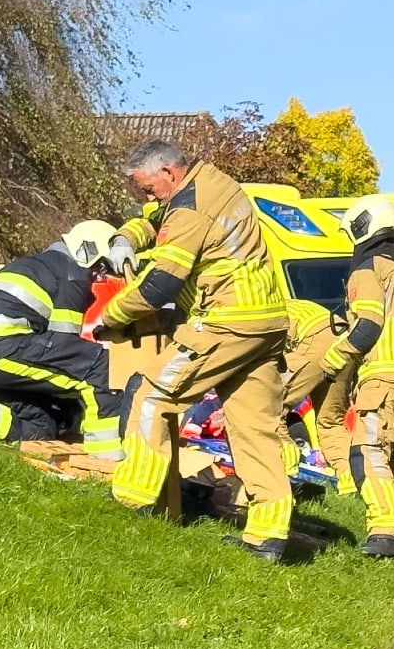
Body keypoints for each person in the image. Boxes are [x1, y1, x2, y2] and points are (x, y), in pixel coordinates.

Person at [101, 142, 294, 558]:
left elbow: (160, 286)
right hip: (266, 322)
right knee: (254, 428)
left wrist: (110, 315)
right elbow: (155, 219)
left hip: (227, 320)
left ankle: (132, 501)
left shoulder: (189, 209)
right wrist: (124, 239)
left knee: (152, 395)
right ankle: (268, 534)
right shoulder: (209, 184)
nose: (148, 197)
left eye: (148, 188)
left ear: (168, 173)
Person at [288, 195, 394, 559]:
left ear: (363, 227)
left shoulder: (368, 269)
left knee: (367, 454)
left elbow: (367, 325)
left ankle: (386, 531)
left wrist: (332, 360)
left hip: (382, 378)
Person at [0, 221, 125, 452]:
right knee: (100, 366)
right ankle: (107, 455)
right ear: (86, 251)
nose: (100, 277)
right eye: (102, 267)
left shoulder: (38, 264)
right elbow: (68, 346)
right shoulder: (73, 275)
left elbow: (58, 355)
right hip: (3, 346)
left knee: (42, 424)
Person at [281, 295, 357, 494]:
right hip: (343, 340)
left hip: (316, 338)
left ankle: (285, 473)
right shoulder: (291, 304)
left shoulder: (256, 310)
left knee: (270, 408)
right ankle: (349, 482)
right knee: (330, 421)